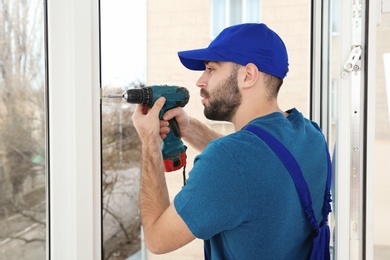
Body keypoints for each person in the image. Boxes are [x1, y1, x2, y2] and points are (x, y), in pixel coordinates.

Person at [132, 23, 329, 259]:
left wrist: (149, 141)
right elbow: (252, 162)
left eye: (211, 69)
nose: (200, 81)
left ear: (248, 75)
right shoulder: (310, 135)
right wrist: (190, 128)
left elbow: (156, 238)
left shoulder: (229, 161)